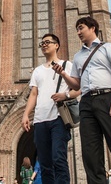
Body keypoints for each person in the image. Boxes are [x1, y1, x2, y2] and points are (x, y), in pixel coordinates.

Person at [53, 17, 111, 184]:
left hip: (107, 98)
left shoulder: (108, 47)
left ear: (92, 28)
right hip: (86, 102)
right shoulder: (78, 56)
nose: (78, 32)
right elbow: (76, 84)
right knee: (91, 155)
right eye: (77, 29)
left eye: (81, 28)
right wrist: (63, 74)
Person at [22, 33, 80, 184]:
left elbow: (78, 89)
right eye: (42, 43)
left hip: (59, 119)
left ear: (56, 45)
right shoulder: (37, 71)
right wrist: (26, 115)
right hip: (40, 120)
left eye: (48, 42)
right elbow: (33, 94)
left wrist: (64, 95)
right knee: (45, 163)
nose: (44, 45)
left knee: (58, 158)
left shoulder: (67, 65)